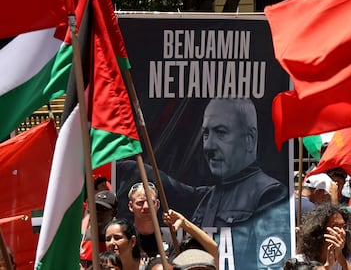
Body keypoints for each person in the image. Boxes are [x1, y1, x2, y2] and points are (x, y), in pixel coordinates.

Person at [117, 98, 291, 269]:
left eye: (221, 132)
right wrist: (132, 168)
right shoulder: (209, 196)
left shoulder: (270, 195)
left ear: (249, 139)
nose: (208, 146)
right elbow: (170, 186)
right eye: (206, 134)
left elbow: (271, 265)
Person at [296, 202, 351, 270]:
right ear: (319, 231)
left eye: (344, 227)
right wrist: (327, 266)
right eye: (335, 226)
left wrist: (340, 257)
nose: (342, 231)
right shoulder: (300, 261)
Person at [128, 182, 173, 264]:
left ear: (158, 204)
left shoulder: (170, 239)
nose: (146, 207)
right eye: (140, 203)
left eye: (150, 202)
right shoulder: (126, 239)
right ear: (131, 206)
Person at [80, 190, 119, 269]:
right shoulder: (80, 238)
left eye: (102, 209)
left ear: (114, 213)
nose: (97, 213)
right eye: (95, 208)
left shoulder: (120, 240)